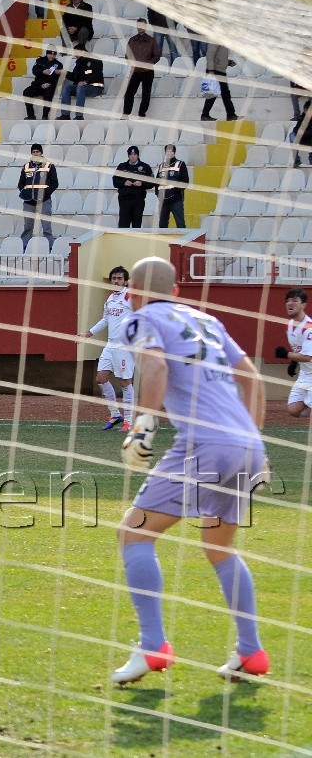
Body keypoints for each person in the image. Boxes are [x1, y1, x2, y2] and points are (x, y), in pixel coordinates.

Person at [110, 256, 269, 684]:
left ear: (133, 292)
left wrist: (142, 427)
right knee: (219, 546)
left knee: (134, 534)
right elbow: (253, 378)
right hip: (248, 445)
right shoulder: (208, 321)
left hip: (205, 444)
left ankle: (152, 646)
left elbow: (156, 365)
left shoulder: (139, 318)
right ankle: (251, 653)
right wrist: (253, 443)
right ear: (177, 291)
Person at [84, 266, 134, 431]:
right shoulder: (110, 298)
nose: (116, 281)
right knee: (101, 378)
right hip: (110, 344)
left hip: (125, 346)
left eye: (119, 278)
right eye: (114, 278)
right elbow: (105, 320)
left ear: (125, 280)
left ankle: (129, 421)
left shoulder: (130, 296)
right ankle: (115, 415)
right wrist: (89, 333)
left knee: (125, 382)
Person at [278, 288, 312, 418]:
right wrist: (293, 362)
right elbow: (299, 348)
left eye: (294, 300)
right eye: (287, 301)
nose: (290, 303)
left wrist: (286, 355)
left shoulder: (308, 328)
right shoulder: (290, 325)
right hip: (306, 373)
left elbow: (308, 357)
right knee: (294, 409)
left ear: (303, 305)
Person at [17, 143, 57, 250]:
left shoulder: (49, 166)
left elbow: (54, 183)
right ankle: (23, 248)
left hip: (44, 201)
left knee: (47, 228)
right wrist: (25, 193)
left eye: (37, 152)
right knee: (27, 228)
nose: (36, 153)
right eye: (33, 152)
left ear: (41, 153)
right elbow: (21, 183)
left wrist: (45, 194)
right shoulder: (26, 167)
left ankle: (50, 249)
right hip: (29, 202)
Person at [122, 19, 160, 118]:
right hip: (135, 70)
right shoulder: (132, 40)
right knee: (129, 93)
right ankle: (126, 113)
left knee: (146, 94)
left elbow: (156, 56)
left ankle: (141, 114)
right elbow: (127, 54)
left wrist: (147, 64)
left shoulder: (151, 40)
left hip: (147, 71)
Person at [113, 145, 154, 228]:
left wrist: (142, 184)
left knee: (136, 224)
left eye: (135, 154)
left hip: (138, 199)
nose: (133, 156)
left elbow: (152, 183)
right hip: (125, 199)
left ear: (138, 155)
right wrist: (124, 183)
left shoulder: (145, 167)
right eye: (131, 154)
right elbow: (115, 182)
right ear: (128, 155)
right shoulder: (122, 166)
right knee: (123, 224)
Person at [57, 54, 104, 120]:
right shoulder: (79, 63)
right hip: (82, 88)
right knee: (67, 88)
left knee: (81, 87)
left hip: (96, 87)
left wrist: (85, 82)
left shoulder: (95, 60)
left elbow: (97, 74)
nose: (75, 55)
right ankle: (65, 115)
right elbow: (74, 77)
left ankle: (79, 116)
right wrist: (64, 73)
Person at [201, 42, 239, 122]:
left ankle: (206, 115)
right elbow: (209, 55)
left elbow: (219, 56)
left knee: (222, 94)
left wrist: (228, 62)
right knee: (221, 94)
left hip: (219, 70)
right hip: (215, 71)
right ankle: (230, 114)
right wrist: (211, 70)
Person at [154, 144, 189, 228]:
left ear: (174, 152)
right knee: (162, 225)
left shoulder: (180, 164)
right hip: (163, 201)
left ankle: (182, 241)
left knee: (180, 224)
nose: (169, 153)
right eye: (167, 151)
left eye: (171, 151)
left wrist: (175, 192)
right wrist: (158, 194)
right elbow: (157, 182)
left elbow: (185, 182)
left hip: (176, 200)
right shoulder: (161, 166)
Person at [23, 47, 63, 120]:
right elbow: (34, 71)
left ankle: (45, 116)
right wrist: (43, 71)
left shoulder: (58, 64)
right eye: (50, 54)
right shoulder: (40, 60)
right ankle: (31, 115)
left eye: (54, 55)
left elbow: (57, 79)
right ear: (47, 54)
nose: (52, 56)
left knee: (49, 94)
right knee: (26, 92)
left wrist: (49, 83)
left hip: (49, 85)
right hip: (38, 85)